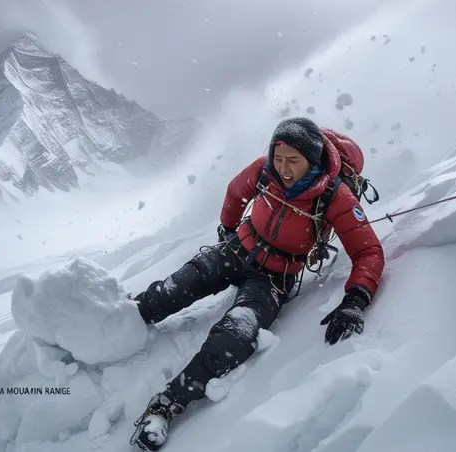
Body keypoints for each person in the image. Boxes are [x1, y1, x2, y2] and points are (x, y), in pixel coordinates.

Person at [129, 117, 385, 451]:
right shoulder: (265, 170)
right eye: (279, 159)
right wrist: (227, 227)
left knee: (233, 338)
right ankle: (119, 320)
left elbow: (368, 251)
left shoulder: (336, 196)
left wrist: (355, 300)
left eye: (293, 161)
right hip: (237, 249)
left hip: (272, 280)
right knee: (173, 289)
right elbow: (236, 190)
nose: (284, 169)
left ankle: (166, 405)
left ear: (313, 158)